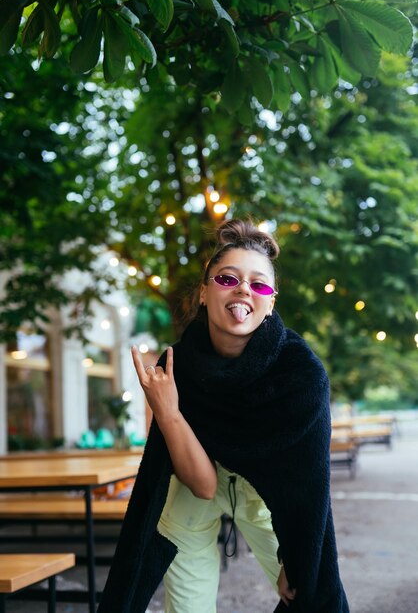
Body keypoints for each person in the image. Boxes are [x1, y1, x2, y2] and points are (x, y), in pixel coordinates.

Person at [98, 218, 349, 613]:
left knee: (312, 594)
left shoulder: (300, 374)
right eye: (227, 278)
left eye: (259, 284)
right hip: (195, 490)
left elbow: (309, 485)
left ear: (270, 303)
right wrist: (166, 410)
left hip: (265, 495)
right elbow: (203, 485)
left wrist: (300, 560)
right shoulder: (177, 365)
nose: (244, 289)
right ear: (203, 292)